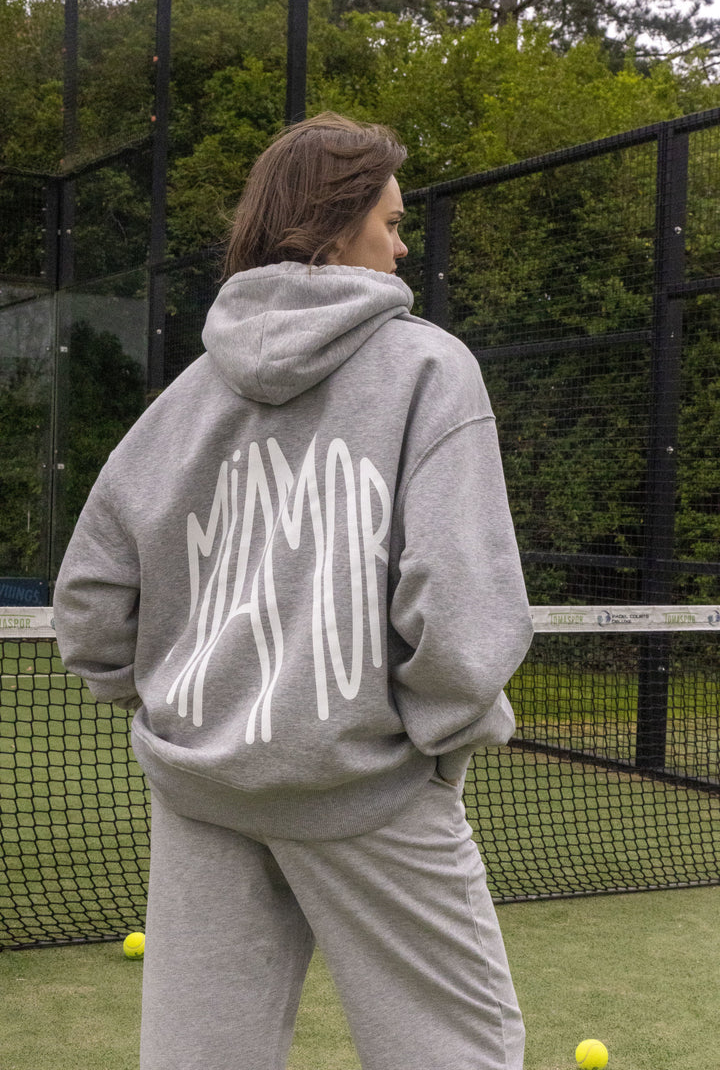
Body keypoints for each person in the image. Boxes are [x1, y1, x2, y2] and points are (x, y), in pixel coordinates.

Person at [53, 111, 533, 1070]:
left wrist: (174, 709)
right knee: (457, 1050)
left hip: (199, 786)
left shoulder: (182, 400)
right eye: (391, 223)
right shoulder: (431, 367)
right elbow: (461, 605)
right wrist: (436, 747)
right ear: (338, 225)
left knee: (199, 1056)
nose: (403, 248)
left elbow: (91, 601)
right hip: (370, 788)